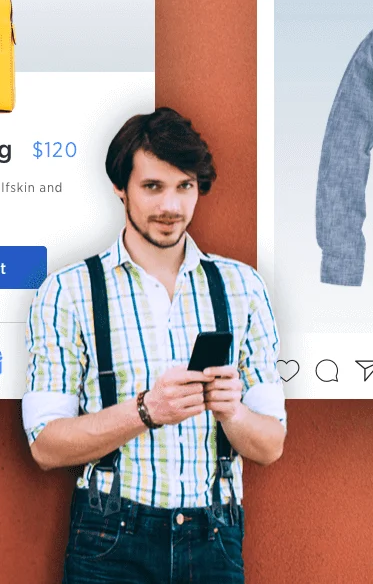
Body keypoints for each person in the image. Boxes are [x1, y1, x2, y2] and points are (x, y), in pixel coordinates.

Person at [26, 108, 285, 583]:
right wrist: (146, 410)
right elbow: (45, 445)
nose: (171, 205)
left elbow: (269, 445)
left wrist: (234, 413)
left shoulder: (242, 287)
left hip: (214, 539)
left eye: (185, 186)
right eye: (152, 187)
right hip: (109, 540)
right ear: (120, 188)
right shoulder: (69, 291)